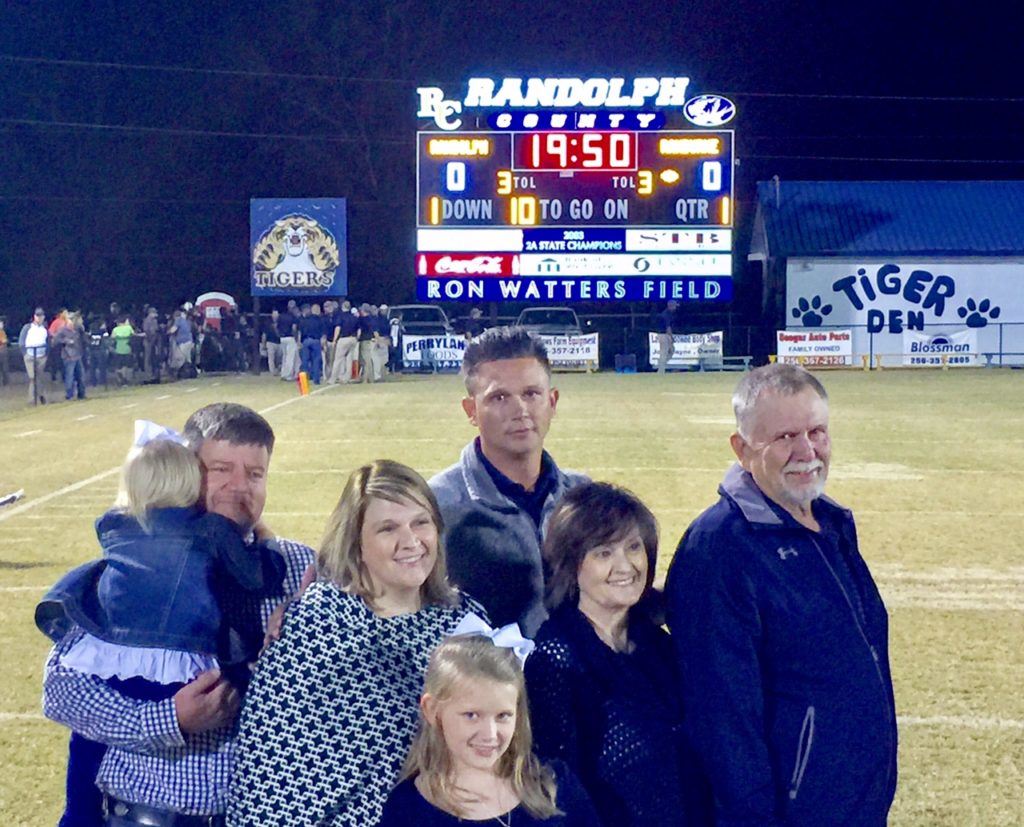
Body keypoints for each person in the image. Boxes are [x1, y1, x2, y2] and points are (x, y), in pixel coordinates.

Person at [42, 403, 316, 826]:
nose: (239, 487)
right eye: (221, 469)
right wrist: (166, 720)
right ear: (187, 472)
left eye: (255, 474)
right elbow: (62, 690)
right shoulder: (138, 565)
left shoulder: (299, 568)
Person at [666, 363, 897, 826]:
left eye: (817, 431)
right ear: (742, 447)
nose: (807, 450)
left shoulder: (829, 525)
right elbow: (722, 718)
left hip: (853, 805)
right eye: (786, 437)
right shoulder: (721, 547)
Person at [227, 460, 485, 826]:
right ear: (357, 544)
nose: (411, 541)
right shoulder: (313, 627)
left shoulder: (467, 622)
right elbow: (264, 778)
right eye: (387, 528)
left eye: (420, 522)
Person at [525, 482, 709, 826]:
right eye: (603, 553)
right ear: (571, 565)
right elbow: (559, 793)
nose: (625, 566)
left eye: (633, 547)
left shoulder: (661, 645)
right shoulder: (555, 662)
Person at [430, 327, 587, 636]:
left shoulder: (584, 498)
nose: (520, 410)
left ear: (552, 402)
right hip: (480, 680)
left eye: (531, 393)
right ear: (471, 410)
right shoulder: (435, 507)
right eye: (499, 397)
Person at [379, 626, 602, 827]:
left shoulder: (554, 785)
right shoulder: (407, 810)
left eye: (503, 716)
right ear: (431, 710)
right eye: (471, 715)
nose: (490, 734)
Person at [54, 311, 88, 400]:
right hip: (68, 356)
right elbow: (55, 340)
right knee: (70, 376)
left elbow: (84, 338)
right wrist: (67, 341)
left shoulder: (78, 329)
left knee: (81, 376)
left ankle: (81, 394)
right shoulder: (62, 330)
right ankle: (69, 395)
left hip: (77, 355)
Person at [18, 306, 49, 403]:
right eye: (37, 316)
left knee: (39, 377)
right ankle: (32, 399)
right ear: (34, 316)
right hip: (30, 355)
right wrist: (25, 354)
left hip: (41, 356)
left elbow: (48, 341)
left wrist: (46, 354)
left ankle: (41, 396)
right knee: (32, 377)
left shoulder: (44, 329)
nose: (39, 318)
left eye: (41, 316)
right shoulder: (27, 328)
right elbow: (21, 342)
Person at [328, 300, 359, 384]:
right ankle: (346, 378)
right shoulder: (354, 317)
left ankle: (333, 379)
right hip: (353, 339)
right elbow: (359, 329)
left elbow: (338, 328)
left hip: (343, 338)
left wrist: (334, 340)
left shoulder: (340, 316)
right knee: (349, 359)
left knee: (338, 359)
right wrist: (357, 338)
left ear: (342, 307)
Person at [296, 303, 324, 385]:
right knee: (316, 360)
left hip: (306, 340)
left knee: (305, 361)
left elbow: (300, 331)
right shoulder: (319, 319)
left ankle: (304, 379)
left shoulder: (304, 320)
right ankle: (316, 379)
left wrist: (299, 342)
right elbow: (322, 331)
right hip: (316, 340)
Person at [111, 315, 137, 385]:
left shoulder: (115, 329)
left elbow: (112, 338)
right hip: (128, 349)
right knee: (127, 366)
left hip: (118, 349)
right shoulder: (129, 328)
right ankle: (126, 380)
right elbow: (134, 335)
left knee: (119, 366)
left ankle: (121, 379)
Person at [655, 300, 677, 374]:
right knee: (664, 352)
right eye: (674, 306)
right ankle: (661, 370)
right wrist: (671, 337)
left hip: (664, 335)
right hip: (664, 335)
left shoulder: (668, 314)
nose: (675, 308)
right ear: (670, 306)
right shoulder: (666, 314)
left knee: (671, 350)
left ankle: (661, 365)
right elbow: (668, 327)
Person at [0, 317, 11, 386]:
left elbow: (5, 341)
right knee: (4, 367)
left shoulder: (2, 332)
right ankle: (5, 381)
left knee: (5, 367)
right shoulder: (2, 332)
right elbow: (5, 341)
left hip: (3, 350)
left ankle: (6, 381)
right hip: (2, 350)